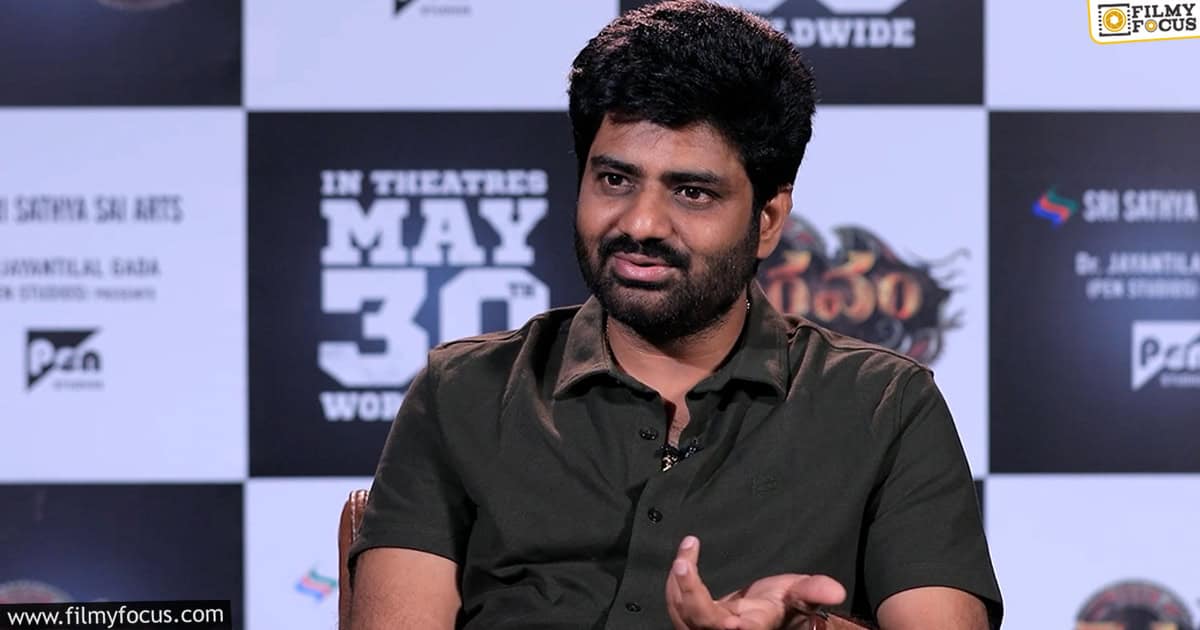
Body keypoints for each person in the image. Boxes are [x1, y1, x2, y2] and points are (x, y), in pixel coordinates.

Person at [347, 1, 1003, 628]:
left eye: (691, 192)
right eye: (615, 180)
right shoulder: (464, 392)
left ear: (768, 219)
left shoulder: (883, 405)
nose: (640, 224)